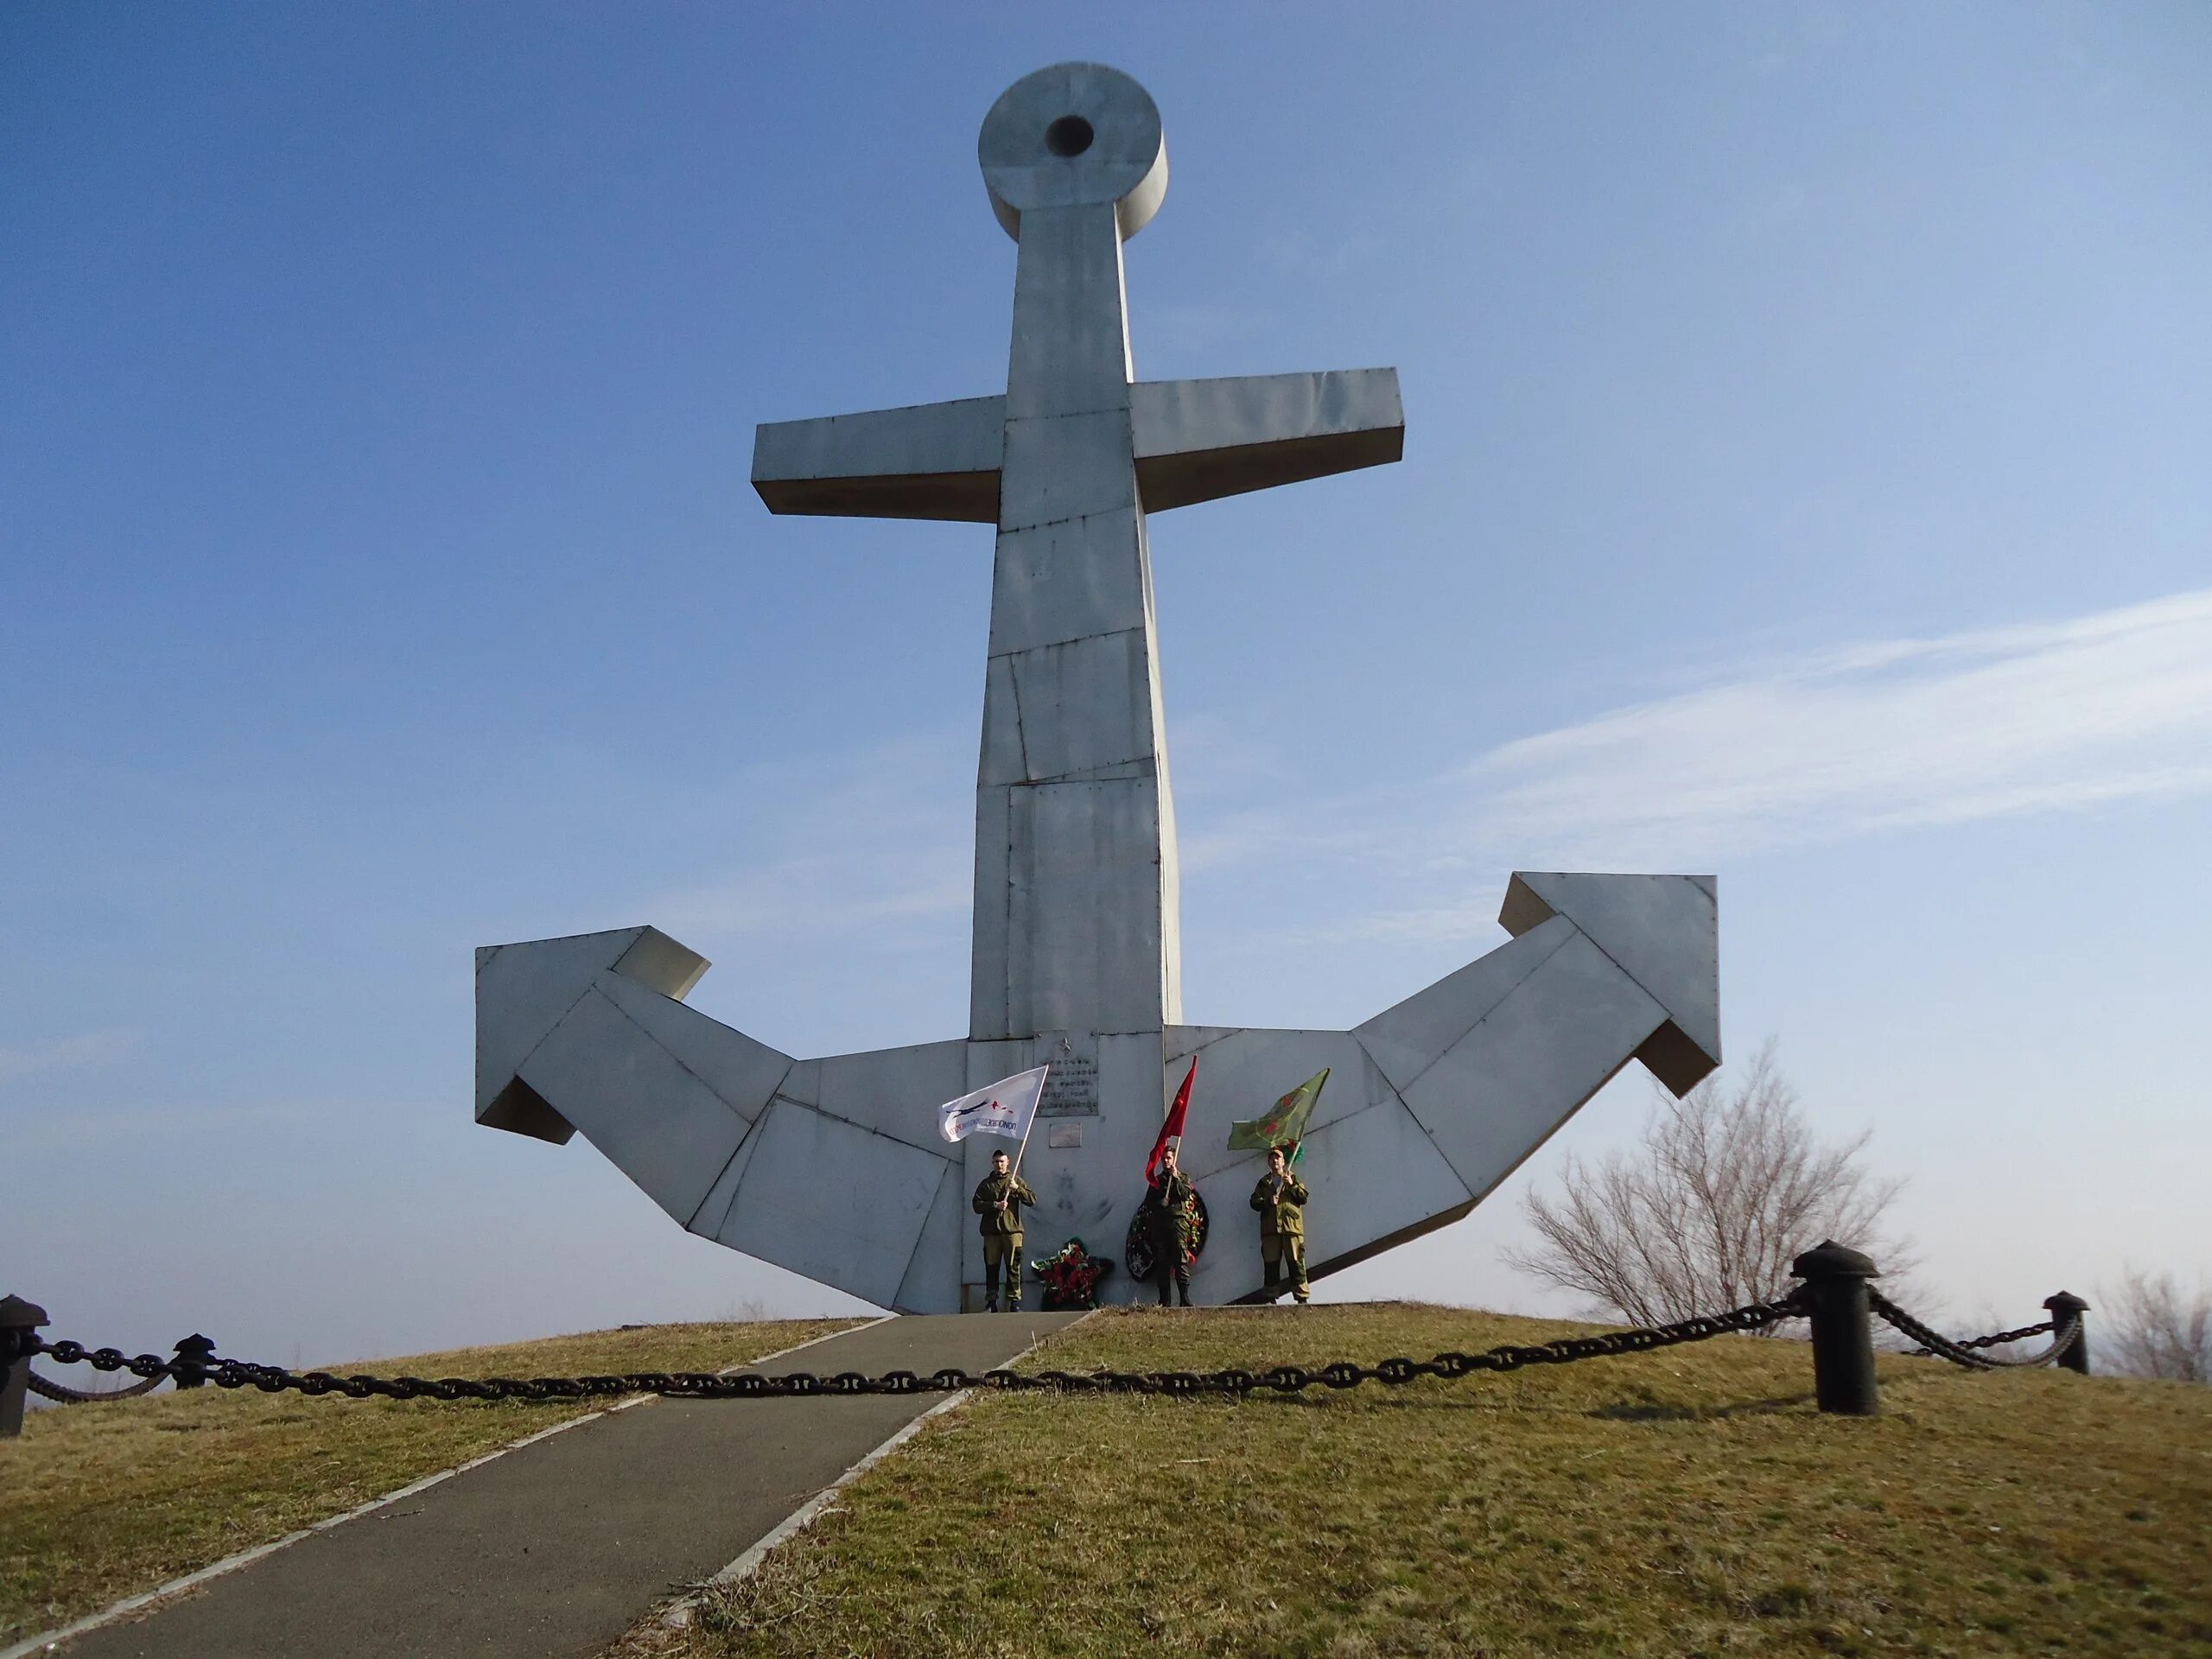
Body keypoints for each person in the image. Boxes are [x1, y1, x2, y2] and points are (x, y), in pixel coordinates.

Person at [971, 1148, 1038, 1312]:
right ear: (992, 1163)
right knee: (991, 1267)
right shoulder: (986, 1184)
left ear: (1008, 1162)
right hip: (992, 1233)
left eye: (1002, 1161)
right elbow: (976, 1205)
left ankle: (1014, 1302)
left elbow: (1032, 1200)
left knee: (1013, 1266)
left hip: (1012, 1232)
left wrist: (1016, 1189)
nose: (999, 1164)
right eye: (996, 1162)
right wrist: (995, 1205)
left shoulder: (1015, 1181)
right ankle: (991, 1302)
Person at [1249, 1144, 1311, 1305]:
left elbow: (1303, 1197)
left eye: (1278, 1158)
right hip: (1270, 1230)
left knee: (1296, 1262)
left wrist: (1291, 1184)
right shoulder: (1264, 1183)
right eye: (1272, 1158)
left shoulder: (1293, 1178)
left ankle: (1301, 1296)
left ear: (1284, 1162)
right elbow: (1254, 1202)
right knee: (1271, 1264)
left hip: (1291, 1228)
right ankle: (1271, 1296)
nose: (1275, 1160)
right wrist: (1268, 1201)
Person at [1141, 1144, 1198, 1306]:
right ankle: (1164, 1300)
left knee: (1181, 1261)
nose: (1166, 1161)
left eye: (1169, 1158)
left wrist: (1177, 1178)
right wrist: (1160, 1202)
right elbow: (1148, 1204)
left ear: (1174, 1159)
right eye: (1164, 1159)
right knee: (1162, 1263)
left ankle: (1184, 1298)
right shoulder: (1156, 1182)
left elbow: (1186, 1194)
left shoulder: (1183, 1178)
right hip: (1160, 1226)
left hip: (1177, 1225)